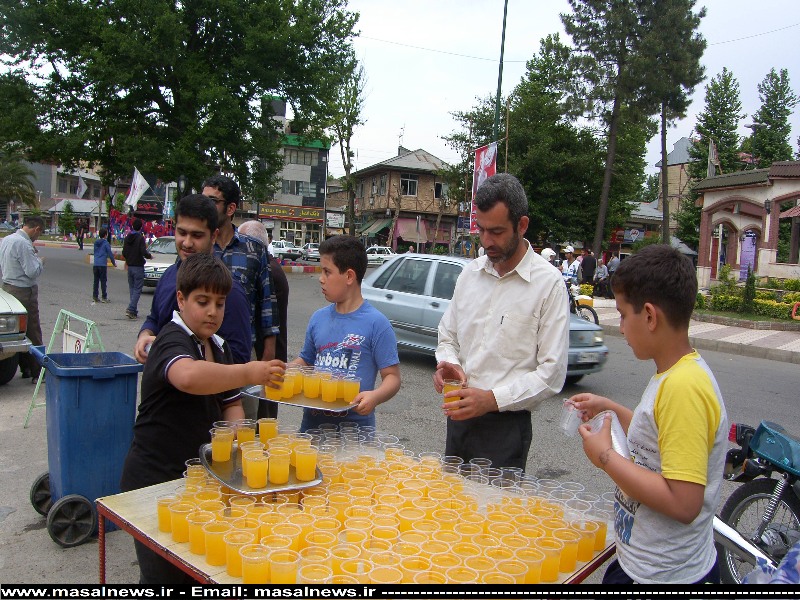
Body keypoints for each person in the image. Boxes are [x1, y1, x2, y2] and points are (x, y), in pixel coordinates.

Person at [120, 252, 285, 584]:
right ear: (180, 299)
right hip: (154, 480)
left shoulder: (218, 347)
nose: (212, 311)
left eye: (220, 303)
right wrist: (249, 371)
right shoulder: (171, 339)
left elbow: (231, 407)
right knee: (161, 574)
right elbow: (189, 377)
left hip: (194, 482)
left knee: (192, 568)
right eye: (203, 301)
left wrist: (245, 451)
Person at [570, 244, 727, 584]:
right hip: (646, 564)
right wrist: (612, 408)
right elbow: (656, 443)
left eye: (625, 315)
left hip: (663, 577)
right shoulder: (673, 374)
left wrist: (606, 457)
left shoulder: (684, 387)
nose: (622, 328)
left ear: (651, 316)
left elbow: (684, 503)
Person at [434, 174, 569, 470]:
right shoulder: (470, 275)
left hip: (507, 427)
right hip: (458, 417)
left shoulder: (549, 284)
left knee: (494, 514)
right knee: (450, 507)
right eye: (481, 230)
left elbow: (552, 373)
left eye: (496, 232)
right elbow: (447, 336)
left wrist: (492, 399)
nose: (486, 242)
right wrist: (447, 362)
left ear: (521, 225)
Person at [292, 235, 401, 432]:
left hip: (354, 431)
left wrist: (374, 396)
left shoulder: (377, 324)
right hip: (312, 427)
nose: (320, 279)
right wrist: (282, 372)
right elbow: (306, 362)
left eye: (327, 272)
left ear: (349, 276)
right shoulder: (318, 318)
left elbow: (392, 377)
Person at [133, 195, 252, 366]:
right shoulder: (169, 276)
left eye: (197, 235)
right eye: (182, 233)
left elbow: (238, 359)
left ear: (213, 236)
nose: (187, 243)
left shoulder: (229, 291)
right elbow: (154, 319)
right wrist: (145, 335)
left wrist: (185, 365)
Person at [202, 175, 280, 419]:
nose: (205, 206)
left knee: (243, 427)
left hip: (243, 356)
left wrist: (267, 356)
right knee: (203, 423)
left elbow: (267, 303)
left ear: (231, 208)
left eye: (212, 201)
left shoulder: (253, 250)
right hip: (200, 353)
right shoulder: (198, 246)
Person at [238, 219, 289, 420]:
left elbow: (266, 321)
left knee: (262, 416)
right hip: (264, 356)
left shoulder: (269, 271)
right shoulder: (267, 267)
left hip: (266, 355)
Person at [0, 215, 45, 381]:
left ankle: (25, 368)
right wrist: (40, 261)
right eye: (38, 234)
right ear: (36, 229)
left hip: (8, 287)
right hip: (24, 290)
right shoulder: (24, 244)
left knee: (18, 332)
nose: (37, 237)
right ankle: (38, 371)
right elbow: (32, 271)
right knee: (33, 331)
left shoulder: (7, 239)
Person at [122, 218, 152, 319]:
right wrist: (149, 256)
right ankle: (131, 308)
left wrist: (128, 260)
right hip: (138, 266)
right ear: (140, 227)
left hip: (130, 266)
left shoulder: (127, 238)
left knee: (132, 288)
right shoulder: (140, 238)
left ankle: (133, 310)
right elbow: (143, 251)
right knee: (138, 289)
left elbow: (124, 252)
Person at [92, 227, 115, 303]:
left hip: (96, 263)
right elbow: (110, 254)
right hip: (102, 264)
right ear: (105, 235)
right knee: (103, 281)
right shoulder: (106, 243)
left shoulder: (96, 242)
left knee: (96, 281)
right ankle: (104, 297)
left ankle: (95, 296)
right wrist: (113, 262)